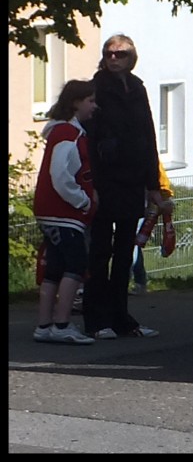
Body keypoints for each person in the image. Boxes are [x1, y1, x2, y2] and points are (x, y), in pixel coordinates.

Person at [82, 34, 169, 340]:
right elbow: (89, 139)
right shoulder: (96, 88)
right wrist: (92, 183)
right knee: (100, 251)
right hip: (106, 180)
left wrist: (153, 184)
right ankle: (95, 319)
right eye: (109, 53)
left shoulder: (137, 88)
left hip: (132, 180)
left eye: (120, 54)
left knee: (124, 253)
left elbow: (148, 136)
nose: (114, 58)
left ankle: (121, 318)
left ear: (132, 57)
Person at [32, 80, 100, 345]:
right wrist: (83, 201)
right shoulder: (68, 135)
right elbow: (60, 174)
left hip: (52, 211)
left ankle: (44, 324)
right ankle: (61, 323)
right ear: (75, 103)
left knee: (55, 267)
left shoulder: (62, 132)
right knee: (75, 265)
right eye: (90, 101)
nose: (94, 106)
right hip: (64, 213)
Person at [130, 154, 177, 295]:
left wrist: (162, 200)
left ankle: (130, 279)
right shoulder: (147, 156)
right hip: (140, 203)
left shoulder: (148, 158)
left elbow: (159, 180)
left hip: (141, 205)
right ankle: (139, 280)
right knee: (134, 244)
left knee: (132, 243)